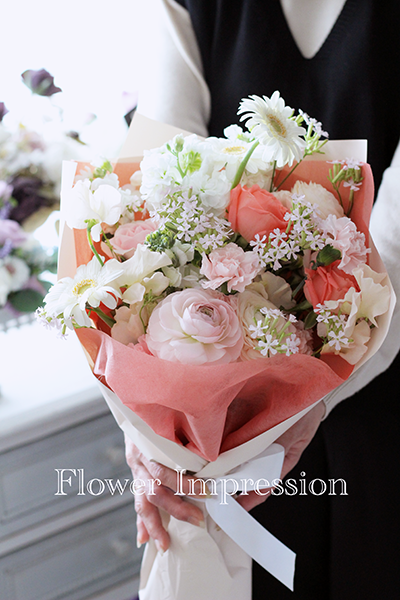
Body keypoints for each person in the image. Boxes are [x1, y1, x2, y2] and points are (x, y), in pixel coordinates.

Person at [126, 1, 400, 597]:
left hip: (380, 397)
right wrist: (149, 427)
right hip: (221, 411)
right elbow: (151, 190)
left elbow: (396, 252)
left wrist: (298, 407)